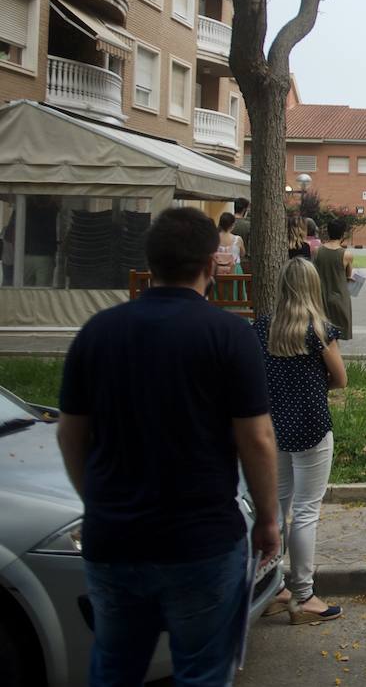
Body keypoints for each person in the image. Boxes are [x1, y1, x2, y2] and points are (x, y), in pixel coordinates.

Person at [55, 207, 280, 684]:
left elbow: (70, 434)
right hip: (200, 540)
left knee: (114, 668)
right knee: (201, 672)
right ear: (210, 265)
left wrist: (95, 499)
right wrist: (267, 518)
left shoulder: (97, 332)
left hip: (114, 539)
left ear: (150, 263)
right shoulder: (230, 336)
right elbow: (256, 439)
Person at [254, 258, 347, 625]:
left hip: (273, 426)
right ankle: (304, 594)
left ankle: (274, 586)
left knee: (277, 506)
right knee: (307, 510)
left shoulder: (261, 328)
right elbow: (340, 379)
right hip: (311, 424)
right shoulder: (318, 330)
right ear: (312, 287)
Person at [312, 218, 354, 340]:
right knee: (336, 335)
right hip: (339, 297)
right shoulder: (347, 255)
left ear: (328, 232)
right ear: (343, 234)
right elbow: (348, 276)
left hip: (319, 296)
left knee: (321, 333)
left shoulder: (317, 251)